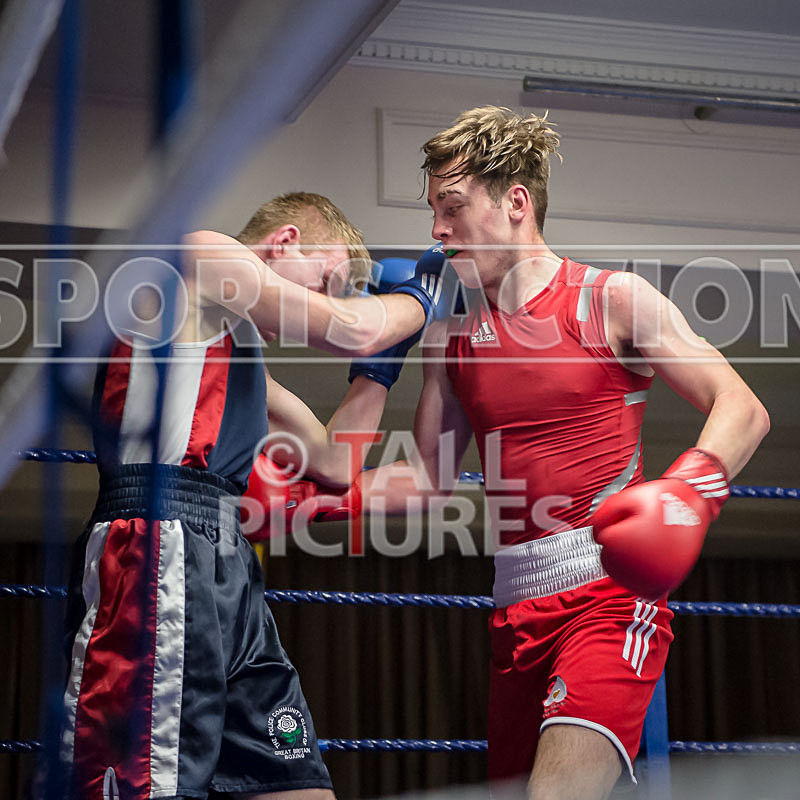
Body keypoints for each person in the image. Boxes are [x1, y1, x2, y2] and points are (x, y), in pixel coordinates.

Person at [356, 107, 770, 798]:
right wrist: (301, 493)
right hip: (514, 611)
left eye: (452, 207)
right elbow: (426, 480)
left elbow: (743, 408)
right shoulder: (451, 341)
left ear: (516, 202)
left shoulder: (611, 300)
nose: (437, 231)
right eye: (433, 212)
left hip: (608, 596)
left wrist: (686, 493)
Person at [60, 192, 444, 800]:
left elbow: (335, 460)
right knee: (148, 783)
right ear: (285, 241)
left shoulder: (241, 355)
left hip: (227, 567)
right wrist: (421, 300)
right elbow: (350, 328)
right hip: (156, 544)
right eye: (327, 281)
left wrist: (382, 364)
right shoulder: (202, 257)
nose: (324, 299)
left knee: (295, 784)